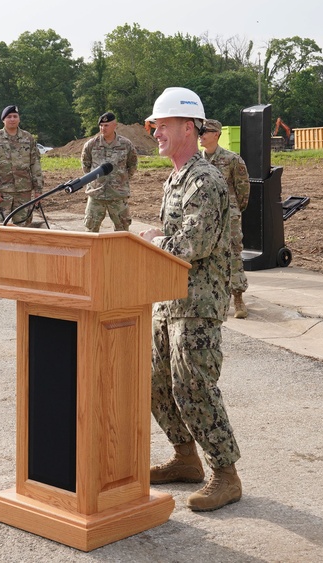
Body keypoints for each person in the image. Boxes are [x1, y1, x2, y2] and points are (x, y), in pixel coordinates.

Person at [138, 87, 241, 512]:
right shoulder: (176, 177)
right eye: (154, 126)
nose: (156, 132)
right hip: (168, 299)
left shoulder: (206, 179)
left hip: (198, 303)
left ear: (188, 126)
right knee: (155, 385)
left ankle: (225, 473)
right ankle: (185, 458)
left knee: (194, 387)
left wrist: (152, 240)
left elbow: (193, 242)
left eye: (162, 125)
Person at [200, 119, 251, 318]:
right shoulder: (196, 160)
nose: (202, 135)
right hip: (205, 216)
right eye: (201, 131)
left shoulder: (232, 159)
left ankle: (237, 298)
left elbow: (243, 190)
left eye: (206, 131)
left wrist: (235, 209)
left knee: (234, 255)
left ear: (217, 135)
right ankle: (215, 298)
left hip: (228, 216)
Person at [0, 105, 43, 226]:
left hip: (24, 192)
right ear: (3, 120)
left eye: (15, 116)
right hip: (3, 192)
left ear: (19, 119)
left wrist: (38, 190)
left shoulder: (28, 138)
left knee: (23, 227)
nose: (12, 119)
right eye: (9, 117)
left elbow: (35, 164)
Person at [80, 111, 138, 232]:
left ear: (114, 125)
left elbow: (132, 165)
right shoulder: (91, 145)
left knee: (122, 230)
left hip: (118, 195)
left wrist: (121, 180)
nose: (103, 128)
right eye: (101, 125)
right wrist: (97, 180)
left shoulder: (126, 144)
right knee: (90, 230)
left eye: (106, 125)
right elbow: (86, 166)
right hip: (96, 195)